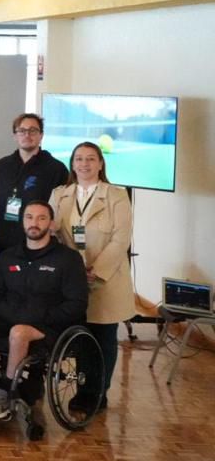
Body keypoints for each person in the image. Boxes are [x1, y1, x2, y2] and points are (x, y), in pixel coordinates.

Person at [0, 201, 88, 420]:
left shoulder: (68, 259)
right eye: (29, 217)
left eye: (41, 218)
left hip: (47, 325)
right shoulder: (8, 256)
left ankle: (6, 392)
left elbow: (77, 304)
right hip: (10, 318)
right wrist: (11, 314)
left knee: (19, 332)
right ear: (22, 222)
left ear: (52, 224)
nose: (34, 223)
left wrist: (40, 316)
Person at [49, 141, 133, 412]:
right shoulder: (59, 194)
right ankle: (82, 390)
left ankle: (98, 393)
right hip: (70, 280)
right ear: (72, 164)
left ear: (100, 163)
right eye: (79, 159)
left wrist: (95, 271)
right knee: (80, 338)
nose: (84, 164)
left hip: (105, 279)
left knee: (103, 338)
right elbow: (52, 233)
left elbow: (121, 240)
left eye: (90, 159)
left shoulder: (117, 195)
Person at [0, 113, 69, 254]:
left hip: (38, 243)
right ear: (15, 136)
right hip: (3, 242)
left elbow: (61, 211)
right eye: (22, 131)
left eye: (33, 130)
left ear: (41, 135)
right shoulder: (2, 165)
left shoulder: (56, 168)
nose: (27, 135)